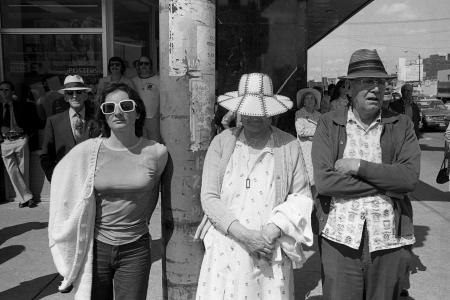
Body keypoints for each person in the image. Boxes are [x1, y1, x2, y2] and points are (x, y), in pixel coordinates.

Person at [311, 49, 420, 300]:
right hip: (340, 238)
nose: (375, 89)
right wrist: (385, 184)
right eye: (367, 81)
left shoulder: (401, 124)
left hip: (387, 239)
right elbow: (326, 182)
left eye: (380, 82)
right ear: (349, 87)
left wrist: (358, 166)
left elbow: (408, 179)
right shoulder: (329, 123)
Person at [195, 73, 313, 300]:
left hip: (269, 250)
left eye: (260, 111)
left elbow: (301, 197)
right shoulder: (222, 142)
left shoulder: (288, 145)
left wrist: (268, 234)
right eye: (247, 110)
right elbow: (209, 197)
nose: (253, 116)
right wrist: (247, 236)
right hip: (227, 246)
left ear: (271, 112)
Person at [48, 83, 168, 299]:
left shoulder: (157, 153)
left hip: (136, 249)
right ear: (103, 115)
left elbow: (154, 192)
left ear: (138, 111)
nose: (118, 112)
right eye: (109, 108)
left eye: (125, 105)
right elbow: (61, 181)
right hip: (96, 248)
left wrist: (144, 221)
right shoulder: (88, 151)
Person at [40, 75, 101, 182]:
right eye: (70, 93)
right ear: (65, 97)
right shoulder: (53, 121)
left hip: (92, 180)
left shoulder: (97, 120)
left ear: (85, 96)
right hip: (64, 181)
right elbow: (45, 155)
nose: (74, 96)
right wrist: (54, 177)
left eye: (78, 92)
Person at [0, 81, 42, 208]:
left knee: (24, 171)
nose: (4, 92)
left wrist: (27, 135)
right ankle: (28, 197)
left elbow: (34, 122)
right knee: (12, 171)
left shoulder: (22, 106)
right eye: (1, 90)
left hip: (20, 139)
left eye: (7, 90)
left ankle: (24, 199)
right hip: (5, 141)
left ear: (12, 92)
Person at [295, 87, 321, 187]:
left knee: (316, 173)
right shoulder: (299, 113)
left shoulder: (319, 115)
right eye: (307, 98)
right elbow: (301, 131)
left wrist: (311, 135)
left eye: (312, 98)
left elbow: (323, 131)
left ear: (315, 101)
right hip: (304, 148)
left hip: (317, 147)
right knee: (306, 174)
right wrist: (316, 131)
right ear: (303, 102)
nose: (309, 100)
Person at [131, 56, 161, 141]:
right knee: (141, 143)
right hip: (138, 118)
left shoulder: (158, 80)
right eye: (141, 63)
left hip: (153, 118)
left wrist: (157, 115)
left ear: (151, 65)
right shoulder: (132, 81)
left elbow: (164, 99)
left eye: (146, 63)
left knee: (154, 143)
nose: (143, 65)